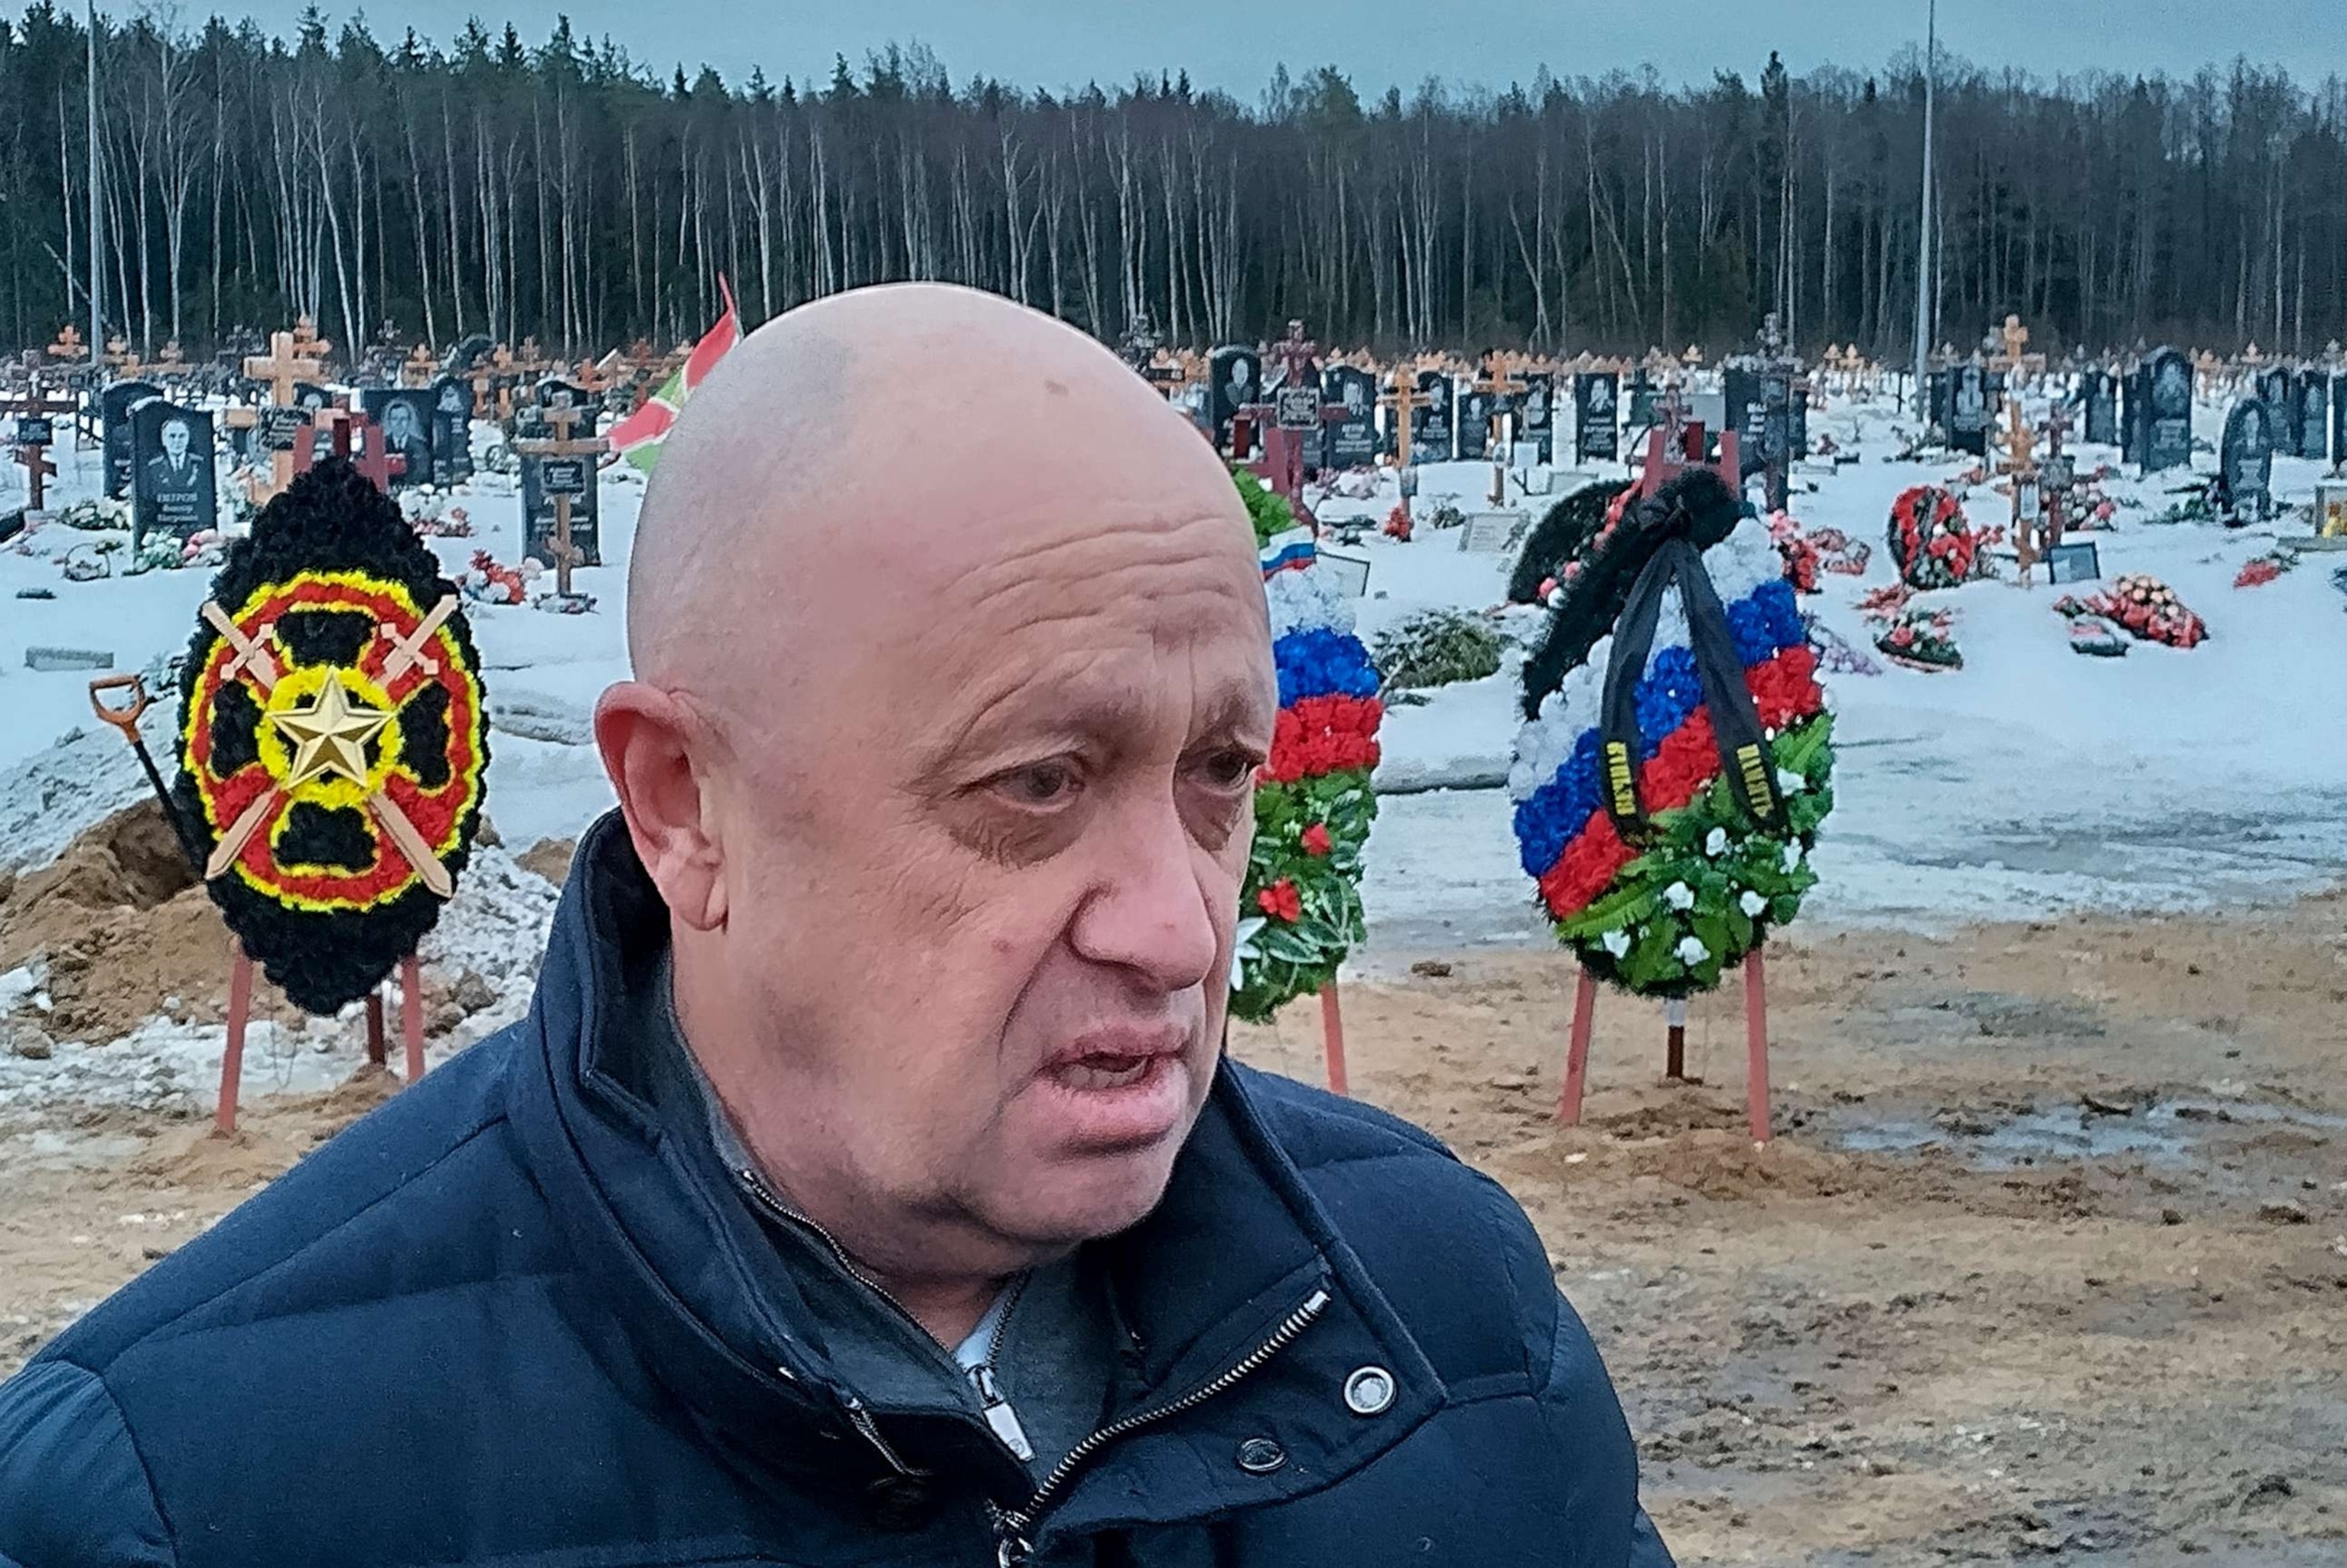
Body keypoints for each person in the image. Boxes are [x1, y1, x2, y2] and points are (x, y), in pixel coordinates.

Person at [0, 284, 1672, 1568]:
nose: (1177, 925)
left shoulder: (1453, 1329)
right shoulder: (191, 1486)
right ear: (685, 806)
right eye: (1034, 784)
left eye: (1219, 775)